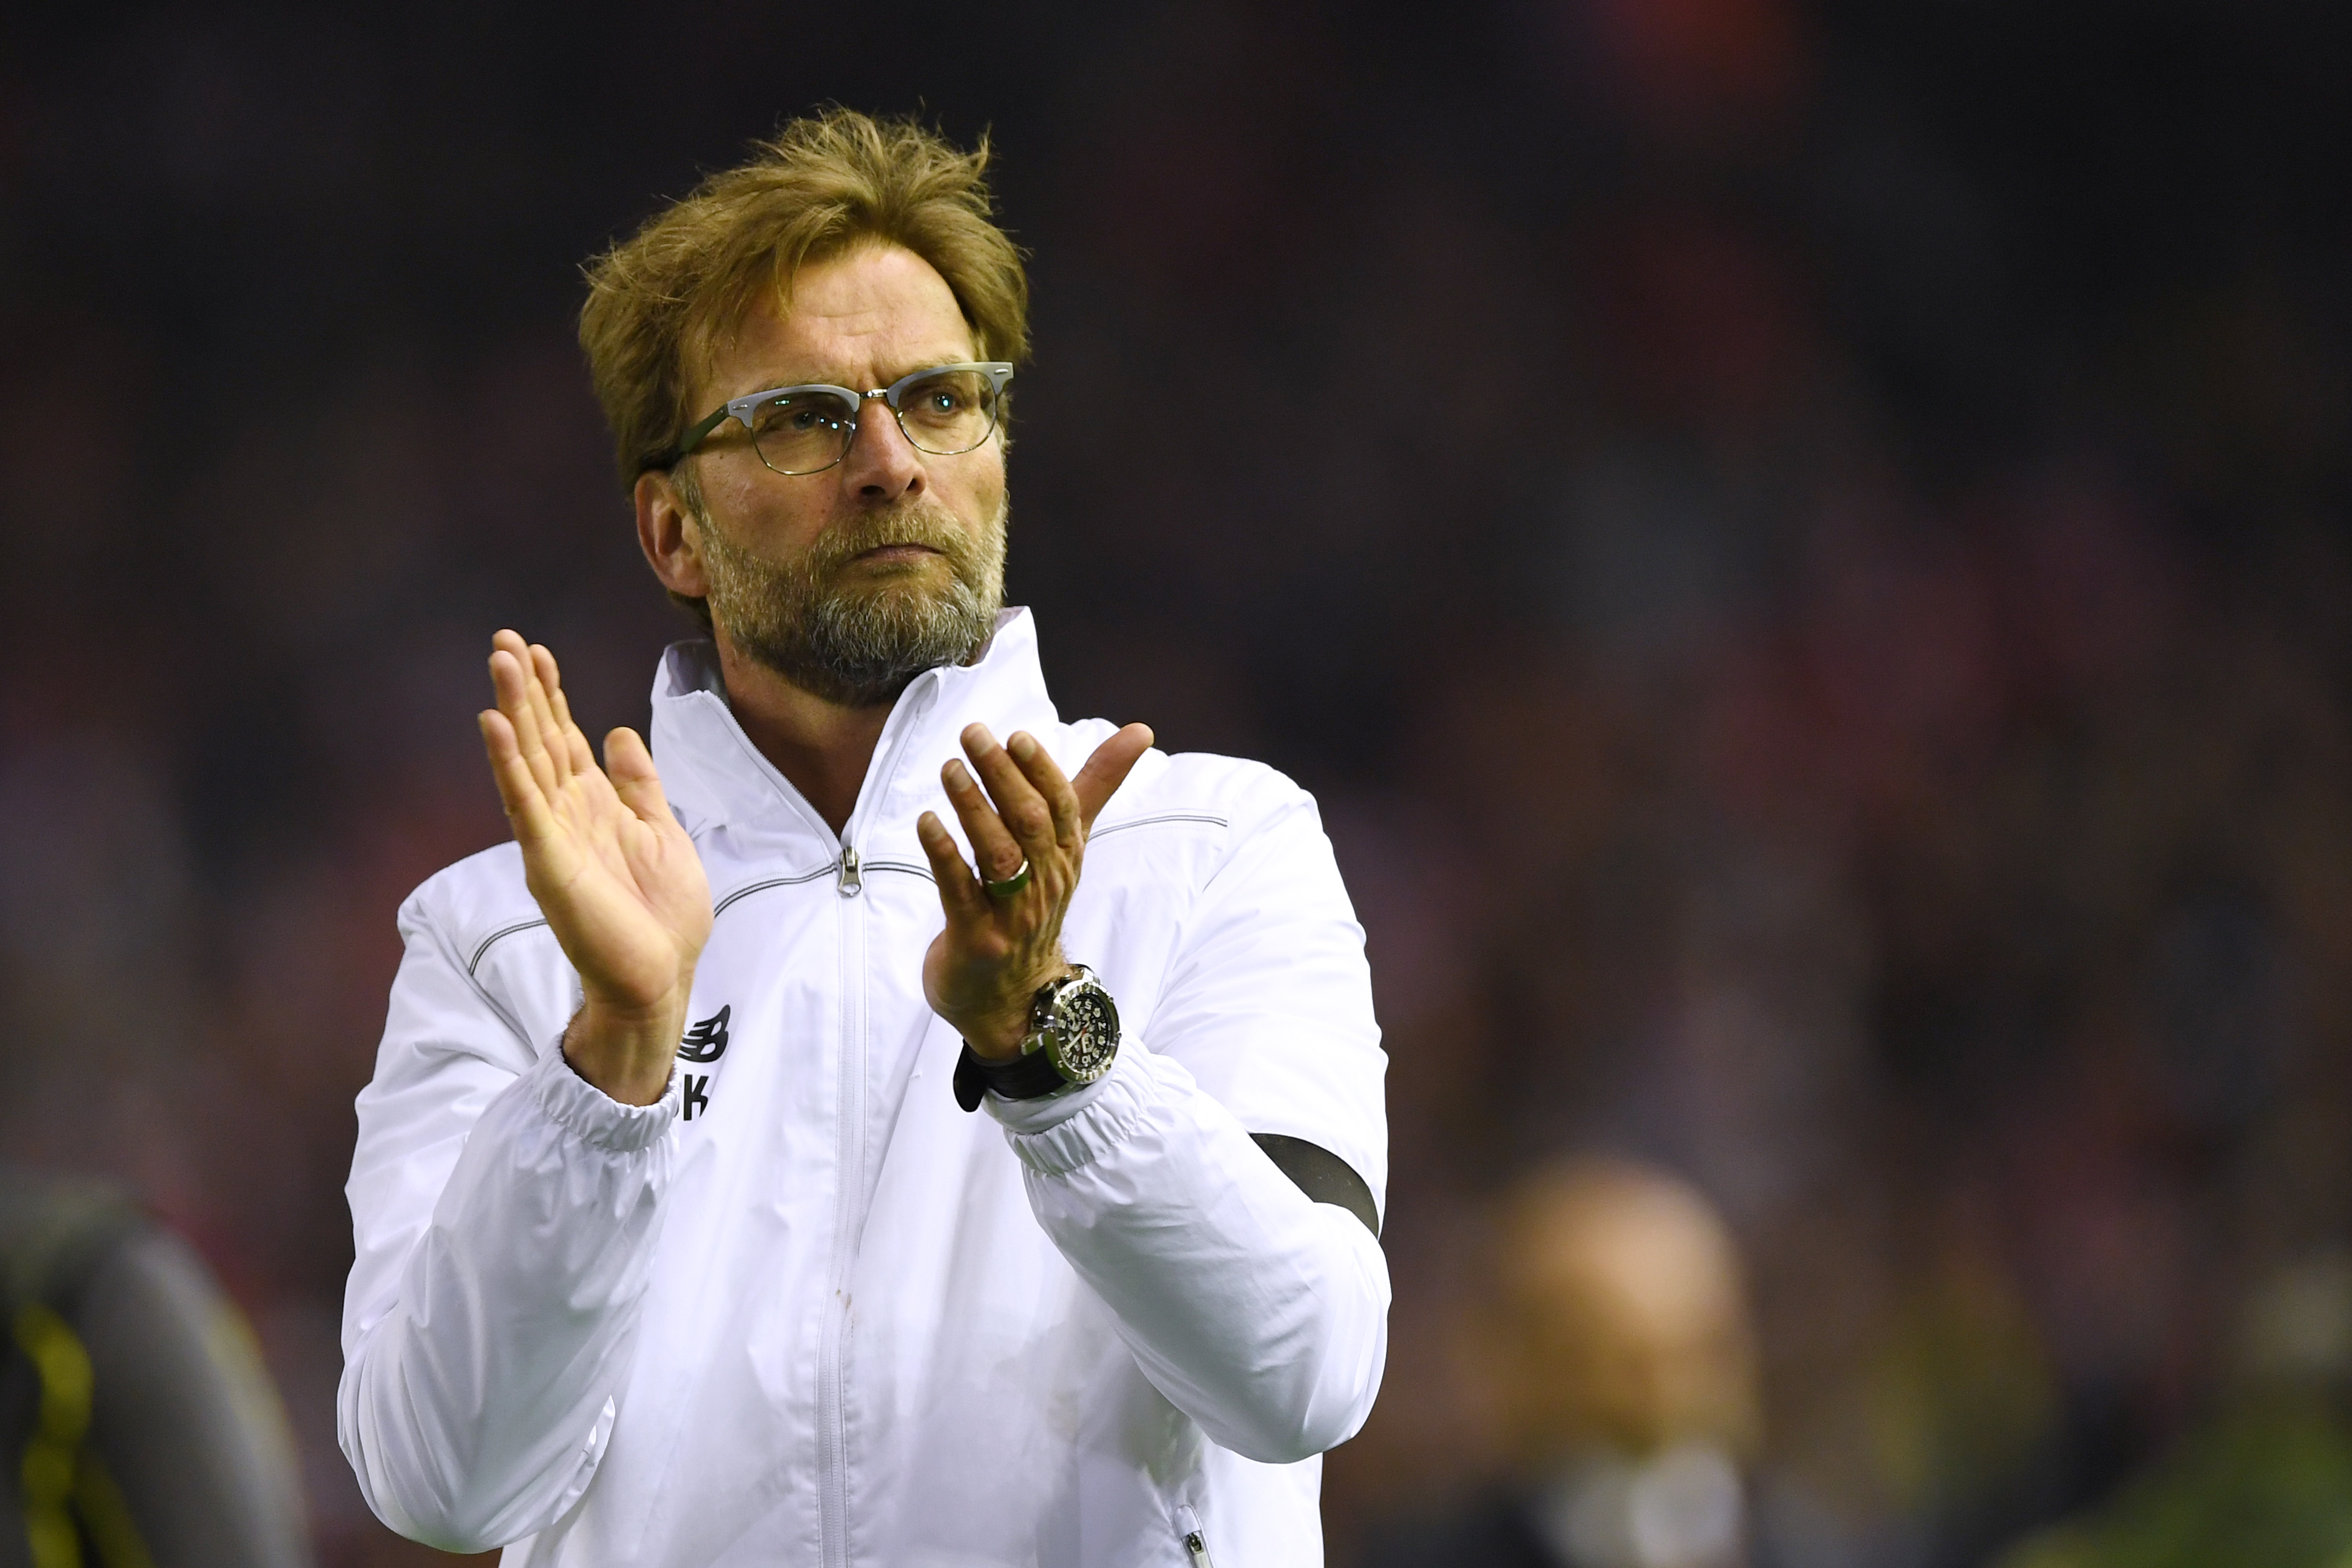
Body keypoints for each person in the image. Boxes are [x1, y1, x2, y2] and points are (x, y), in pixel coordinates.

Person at [335, 109, 1389, 1568]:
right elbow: (438, 1482)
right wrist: (614, 1062)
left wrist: (1045, 1039)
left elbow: (1303, 1375)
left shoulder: (1213, 843)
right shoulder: (503, 939)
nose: (889, 462)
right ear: (672, 534)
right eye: (800, 419)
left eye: (939, 398)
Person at [1371, 1159, 1757, 1568]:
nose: (1666, 1402)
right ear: (1509, 1364)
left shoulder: (1812, 1551)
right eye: (1612, 1365)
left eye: (1695, 1354)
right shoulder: (1421, 1556)